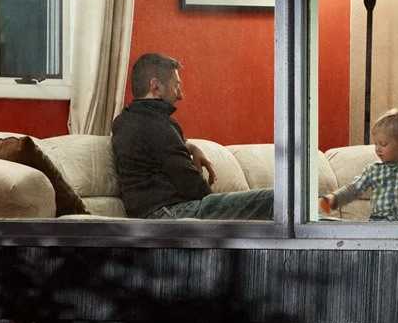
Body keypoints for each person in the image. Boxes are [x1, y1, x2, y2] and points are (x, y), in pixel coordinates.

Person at [110, 52, 275, 221]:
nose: (180, 95)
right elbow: (194, 187)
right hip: (172, 213)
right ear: (155, 86)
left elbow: (155, 146)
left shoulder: (123, 121)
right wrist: (215, 203)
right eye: (176, 85)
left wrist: (190, 146)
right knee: (278, 200)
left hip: (151, 214)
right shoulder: (159, 125)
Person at [328, 109, 398, 221]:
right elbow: (354, 189)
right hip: (379, 227)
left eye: (383, 144)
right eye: (376, 144)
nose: (377, 149)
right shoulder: (373, 170)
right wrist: (335, 198)